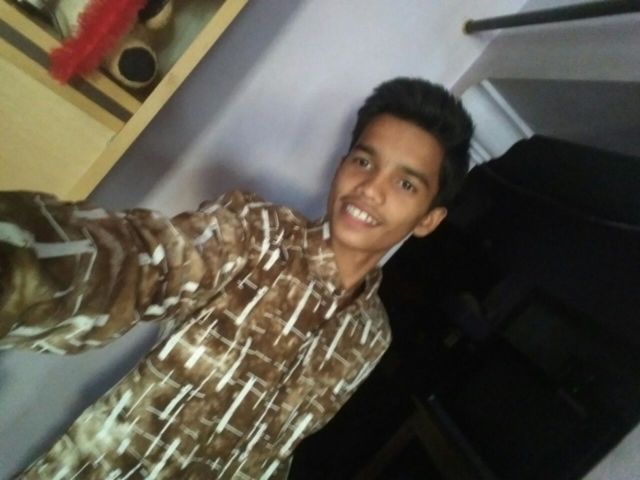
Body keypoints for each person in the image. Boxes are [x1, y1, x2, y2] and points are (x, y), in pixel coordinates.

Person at [0, 77, 473, 479]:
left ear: (428, 219)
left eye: (405, 184)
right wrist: (19, 268)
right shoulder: (256, 232)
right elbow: (141, 263)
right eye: (364, 161)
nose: (370, 188)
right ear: (342, 165)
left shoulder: (371, 338)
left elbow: (278, 450)